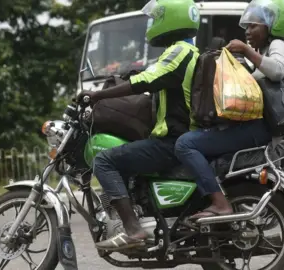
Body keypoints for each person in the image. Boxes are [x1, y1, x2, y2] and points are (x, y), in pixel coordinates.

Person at [76, 0, 201, 251]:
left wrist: (98, 95)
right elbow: (150, 76)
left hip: (171, 141)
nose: (152, 24)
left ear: (171, 19)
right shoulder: (187, 51)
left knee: (104, 161)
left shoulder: (180, 51)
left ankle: (133, 230)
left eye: (156, 18)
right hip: (179, 137)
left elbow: (148, 79)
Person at [175, 0, 284, 220]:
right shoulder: (262, 52)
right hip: (254, 126)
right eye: (246, 26)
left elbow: (277, 71)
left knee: (186, 144)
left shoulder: (278, 45)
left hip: (259, 128)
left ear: (273, 25)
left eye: (254, 26)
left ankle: (220, 204)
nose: (248, 31)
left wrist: (246, 50)